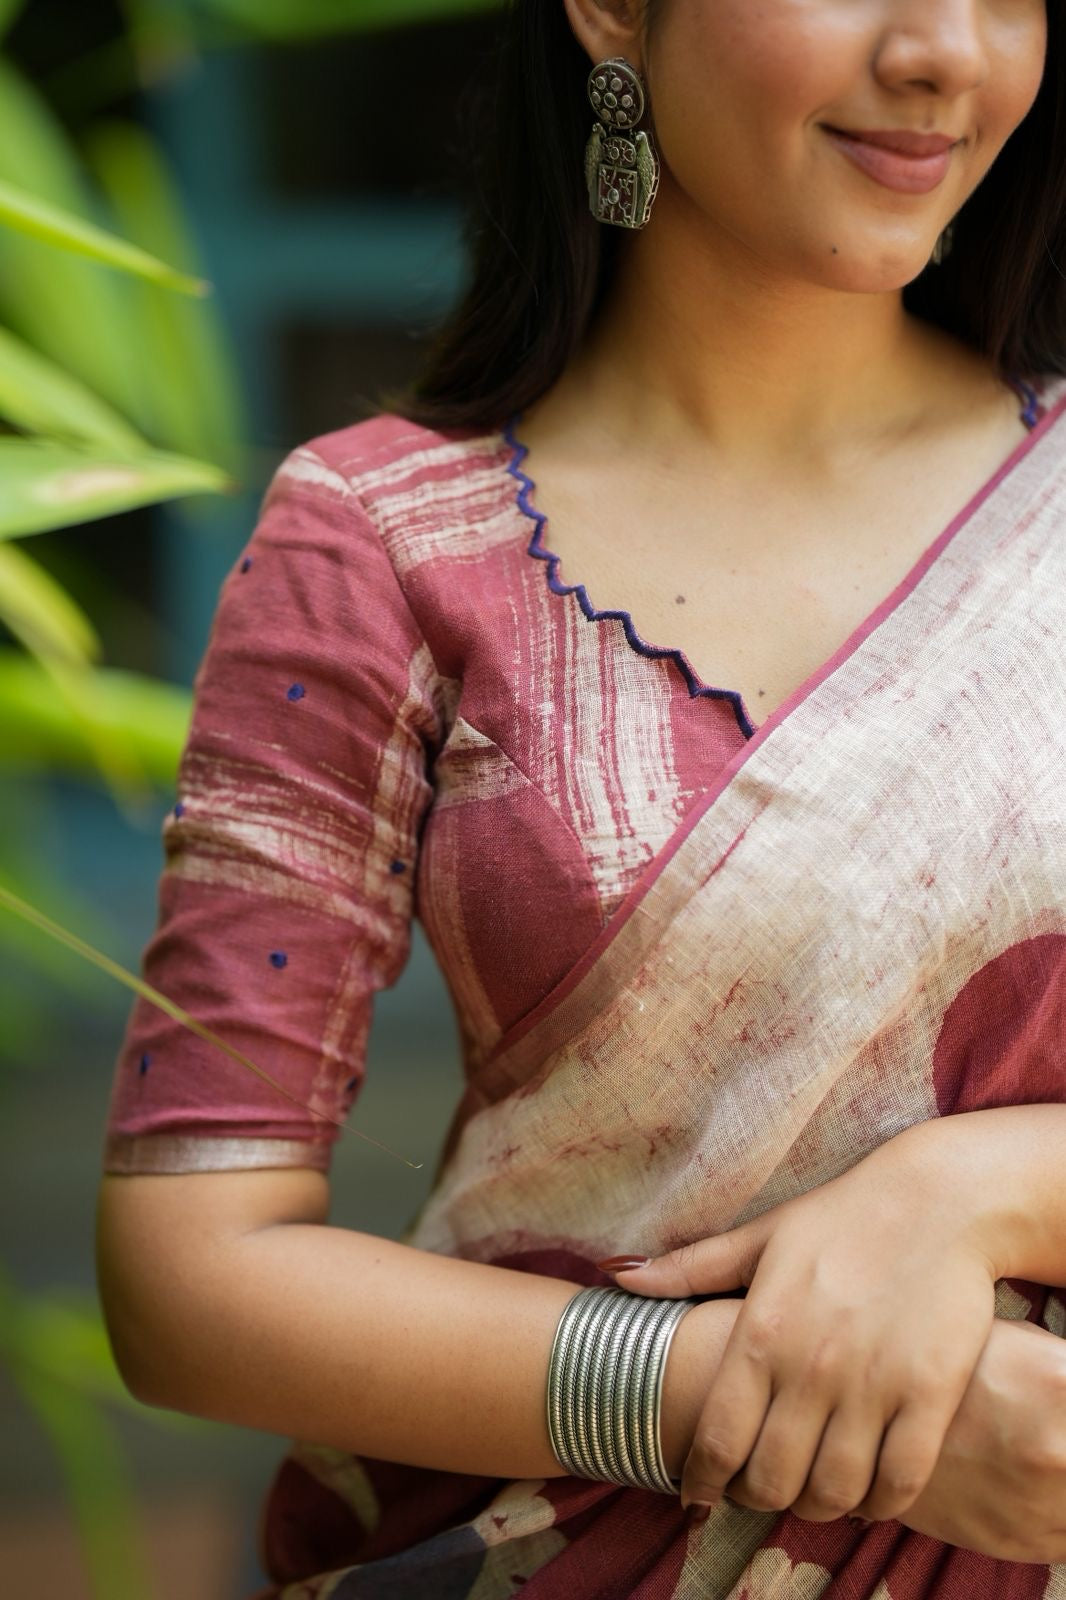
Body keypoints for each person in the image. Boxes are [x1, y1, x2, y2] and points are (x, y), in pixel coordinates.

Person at [96, 0, 1066, 1594]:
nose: (944, 51)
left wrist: (969, 1191)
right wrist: (716, 1401)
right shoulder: (385, 542)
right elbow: (191, 1275)